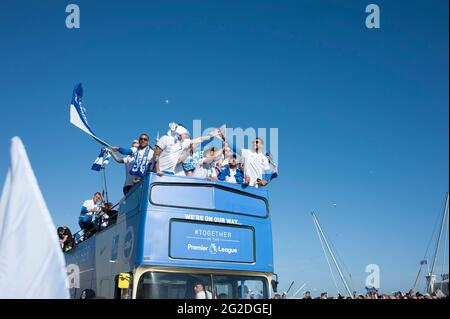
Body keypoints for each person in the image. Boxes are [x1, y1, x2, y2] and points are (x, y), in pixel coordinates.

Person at [152, 123, 222, 176]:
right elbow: (156, 154)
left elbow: (200, 139)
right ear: (179, 132)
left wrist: (212, 134)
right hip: (159, 172)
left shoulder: (182, 143)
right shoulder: (165, 138)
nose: (186, 137)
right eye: (185, 135)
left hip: (170, 173)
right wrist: (157, 170)